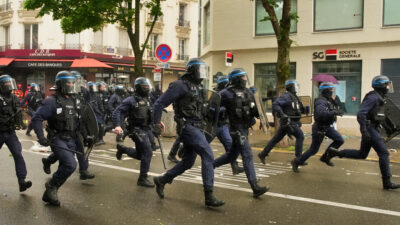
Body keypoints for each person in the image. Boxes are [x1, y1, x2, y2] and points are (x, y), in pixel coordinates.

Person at [152, 58, 225, 207]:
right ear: (192, 70)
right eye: (201, 70)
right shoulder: (179, 85)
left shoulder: (198, 88)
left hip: (198, 127)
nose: (203, 73)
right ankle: (209, 195)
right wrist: (156, 122)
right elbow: (159, 103)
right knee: (208, 154)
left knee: (188, 162)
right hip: (187, 127)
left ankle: (162, 180)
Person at [325, 75, 400, 190]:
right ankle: (387, 182)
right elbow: (361, 113)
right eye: (387, 84)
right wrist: (364, 131)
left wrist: (390, 128)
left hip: (373, 128)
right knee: (384, 153)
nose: (389, 87)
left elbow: (380, 116)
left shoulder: (381, 97)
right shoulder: (373, 97)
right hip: (369, 129)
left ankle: (335, 153)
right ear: (381, 85)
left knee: (362, 154)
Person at [213, 68, 269, 198]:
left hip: (244, 128)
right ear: (237, 79)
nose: (245, 79)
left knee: (231, 156)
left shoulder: (248, 92)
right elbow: (212, 108)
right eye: (243, 77)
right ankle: (255, 186)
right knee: (247, 155)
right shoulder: (225, 93)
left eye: (245, 77)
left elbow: (255, 111)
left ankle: (209, 166)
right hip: (235, 129)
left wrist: (258, 110)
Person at [32, 71, 85, 206]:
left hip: (71, 139)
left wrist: (87, 136)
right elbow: (37, 118)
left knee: (64, 167)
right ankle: (51, 187)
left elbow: (79, 120)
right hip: (57, 138)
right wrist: (41, 137)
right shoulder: (51, 101)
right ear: (61, 84)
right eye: (68, 82)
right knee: (70, 165)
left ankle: (50, 193)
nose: (71, 85)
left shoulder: (73, 100)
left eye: (73, 82)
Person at [41, 71, 95, 181]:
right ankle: (50, 163)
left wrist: (88, 132)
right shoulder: (57, 98)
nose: (74, 84)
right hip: (64, 126)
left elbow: (87, 106)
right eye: (71, 82)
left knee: (79, 147)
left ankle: (83, 170)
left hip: (77, 123)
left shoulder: (83, 91)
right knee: (67, 152)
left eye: (76, 81)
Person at [291, 82, 344, 172]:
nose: (332, 92)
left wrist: (336, 104)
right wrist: (333, 112)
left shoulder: (328, 100)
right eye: (331, 90)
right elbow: (321, 114)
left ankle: (325, 157)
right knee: (314, 149)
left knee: (339, 140)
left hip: (327, 127)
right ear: (326, 91)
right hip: (319, 128)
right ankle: (297, 161)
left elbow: (335, 108)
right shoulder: (320, 101)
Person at [112, 77, 155, 187]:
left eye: (148, 86)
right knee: (148, 153)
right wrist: (117, 125)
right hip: (136, 130)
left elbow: (149, 113)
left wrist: (157, 123)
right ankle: (142, 178)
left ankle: (123, 149)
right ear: (139, 88)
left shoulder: (148, 99)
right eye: (145, 87)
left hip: (146, 129)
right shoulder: (130, 100)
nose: (147, 89)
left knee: (141, 155)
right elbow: (117, 112)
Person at [258, 80, 306, 164]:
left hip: (291, 122)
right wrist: (282, 114)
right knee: (300, 136)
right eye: (295, 86)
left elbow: (297, 108)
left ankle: (263, 154)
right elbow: (275, 104)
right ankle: (298, 159)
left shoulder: (295, 97)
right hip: (288, 122)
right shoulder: (286, 96)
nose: (296, 88)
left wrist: (303, 110)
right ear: (291, 87)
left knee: (276, 139)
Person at [0, 75, 32, 192]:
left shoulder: (14, 97)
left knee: (18, 154)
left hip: (9, 132)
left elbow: (18, 111)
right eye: (6, 84)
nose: (9, 87)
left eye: (10, 84)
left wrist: (21, 123)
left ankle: (22, 181)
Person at [88, 82, 105, 146]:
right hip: (90, 113)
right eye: (92, 87)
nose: (94, 88)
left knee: (101, 125)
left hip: (97, 113)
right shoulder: (87, 95)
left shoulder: (96, 95)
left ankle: (100, 139)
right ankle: (95, 139)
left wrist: (102, 111)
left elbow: (100, 104)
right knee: (92, 127)